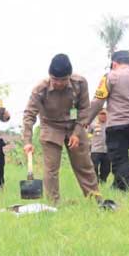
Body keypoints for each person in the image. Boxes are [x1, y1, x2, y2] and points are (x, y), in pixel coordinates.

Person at [22, 54, 102, 204]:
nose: (59, 83)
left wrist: (77, 133)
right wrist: (27, 141)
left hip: (74, 126)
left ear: (69, 76)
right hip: (51, 127)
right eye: (55, 79)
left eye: (63, 80)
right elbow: (29, 115)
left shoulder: (80, 83)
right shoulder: (40, 89)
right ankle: (54, 204)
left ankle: (95, 200)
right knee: (51, 170)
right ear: (50, 76)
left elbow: (84, 109)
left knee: (84, 165)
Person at [88, 50, 129, 191]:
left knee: (118, 156)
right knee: (121, 152)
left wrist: (85, 120)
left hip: (118, 126)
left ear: (114, 64)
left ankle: (127, 186)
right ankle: (116, 186)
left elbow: (98, 102)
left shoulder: (109, 77)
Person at [88, 109, 110, 183]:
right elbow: (87, 134)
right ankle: (95, 182)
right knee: (94, 168)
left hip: (107, 151)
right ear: (98, 115)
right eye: (101, 114)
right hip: (95, 150)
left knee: (106, 169)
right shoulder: (93, 124)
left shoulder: (110, 124)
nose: (103, 116)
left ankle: (103, 182)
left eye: (105, 114)